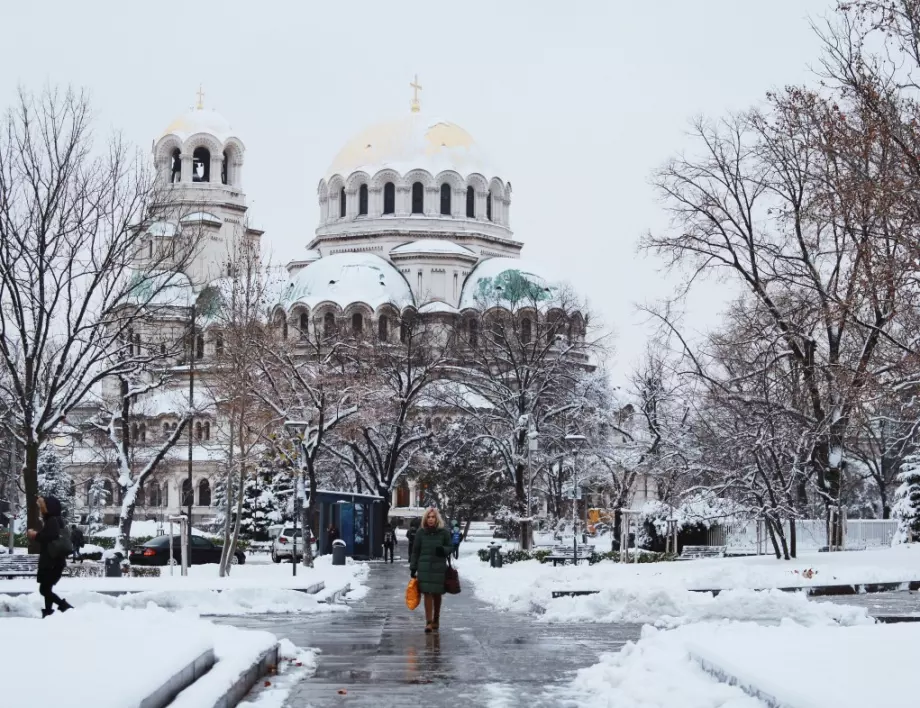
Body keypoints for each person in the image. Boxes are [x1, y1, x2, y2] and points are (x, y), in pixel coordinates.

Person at [27, 496, 73, 618]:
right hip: (55, 560)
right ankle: (48, 611)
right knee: (47, 588)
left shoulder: (52, 520)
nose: (41, 509)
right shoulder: (56, 519)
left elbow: (49, 537)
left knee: (44, 590)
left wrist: (35, 535)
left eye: (42, 506)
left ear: (49, 508)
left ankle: (64, 606)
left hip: (52, 561)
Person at [409, 508, 453, 634]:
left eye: (433, 517)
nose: (431, 519)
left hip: (439, 567)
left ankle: (436, 619)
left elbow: (450, 547)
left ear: (437, 518)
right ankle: (428, 622)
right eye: (428, 517)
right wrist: (413, 567)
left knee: (437, 594)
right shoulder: (420, 533)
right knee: (427, 593)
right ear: (425, 519)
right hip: (424, 568)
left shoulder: (443, 533)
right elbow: (415, 551)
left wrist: (443, 550)